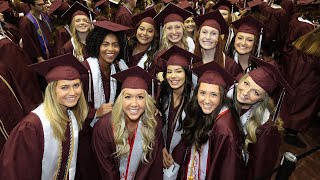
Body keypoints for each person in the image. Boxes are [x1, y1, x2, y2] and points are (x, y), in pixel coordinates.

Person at [0, 53, 89, 179]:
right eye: (64, 87)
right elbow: (18, 173)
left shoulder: (70, 116)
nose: (73, 92)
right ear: (52, 90)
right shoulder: (32, 126)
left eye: (76, 85)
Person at [227, 56, 295, 179]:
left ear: (262, 99)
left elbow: (259, 171)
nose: (245, 92)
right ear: (242, 79)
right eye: (246, 83)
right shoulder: (228, 98)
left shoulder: (266, 129)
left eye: (256, 92)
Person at [92, 66, 163, 179]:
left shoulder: (153, 125)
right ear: (120, 100)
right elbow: (106, 169)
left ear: (147, 101)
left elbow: (151, 167)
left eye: (140, 97)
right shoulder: (104, 127)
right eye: (128, 97)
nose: (134, 104)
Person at [181, 61, 244, 180]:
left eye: (214, 95)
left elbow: (227, 171)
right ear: (196, 94)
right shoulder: (205, 113)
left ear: (222, 97)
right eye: (203, 93)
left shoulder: (224, 128)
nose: (207, 100)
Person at [157, 45, 201, 179]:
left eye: (178, 71)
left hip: (182, 156)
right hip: (160, 151)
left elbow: (191, 134)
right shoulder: (162, 93)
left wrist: (174, 157)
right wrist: (161, 148)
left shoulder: (194, 100)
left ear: (186, 74)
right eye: (169, 72)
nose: (173, 76)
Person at [280, 3, 320, 148]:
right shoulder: (310, 30)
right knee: (302, 105)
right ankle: (291, 133)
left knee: (292, 99)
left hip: (295, 68)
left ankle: (285, 124)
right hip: (308, 76)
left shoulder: (297, 21)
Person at [82, 20, 130, 122]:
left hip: (108, 125)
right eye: (105, 44)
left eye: (115, 45)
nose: (111, 49)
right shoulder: (85, 70)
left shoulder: (118, 68)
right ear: (97, 45)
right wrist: (95, 112)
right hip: (85, 128)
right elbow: (74, 106)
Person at [193, 10, 242, 77]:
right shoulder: (191, 62)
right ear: (198, 35)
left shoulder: (230, 66)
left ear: (219, 38)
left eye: (213, 33)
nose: (208, 37)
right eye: (204, 32)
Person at [152, 3, 194, 79]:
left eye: (177, 27)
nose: (174, 32)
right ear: (164, 31)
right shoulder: (160, 57)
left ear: (183, 29)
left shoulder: (190, 49)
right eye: (169, 28)